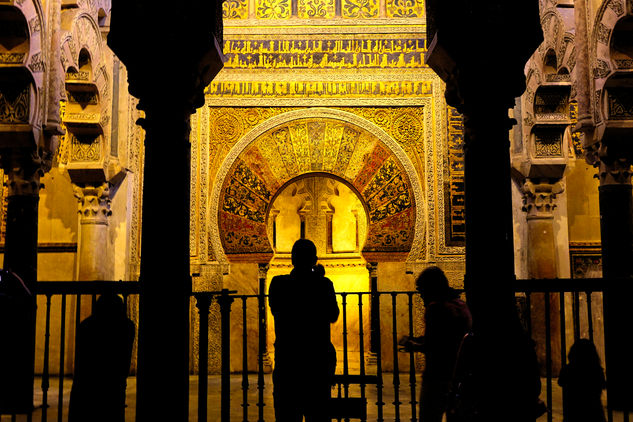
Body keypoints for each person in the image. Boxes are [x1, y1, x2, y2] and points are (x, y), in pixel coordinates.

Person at [268, 239, 340, 422]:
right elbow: (333, 315)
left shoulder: (278, 284)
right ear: (315, 260)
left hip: (288, 362)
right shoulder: (324, 285)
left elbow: (276, 309)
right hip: (317, 363)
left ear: (292, 259)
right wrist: (318, 279)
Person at [399, 266, 472, 422]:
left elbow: (434, 345)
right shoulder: (461, 305)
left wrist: (413, 345)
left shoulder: (436, 308)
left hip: (436, 375)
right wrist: (418, 339)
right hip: (459, 374)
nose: (421, 295)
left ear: (430, 288)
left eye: (421, 290)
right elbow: (444, 338)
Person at [69, 292, 135, 422]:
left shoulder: (86, 326)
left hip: (86, 388)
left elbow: (82, 363)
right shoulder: (126, 326)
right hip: (113, 386)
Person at [558, 339, 607, 422]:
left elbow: (561, 382)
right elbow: (602, 385)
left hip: (573, 412)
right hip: (594, 412)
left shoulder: (567, 369)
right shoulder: (596, 370)